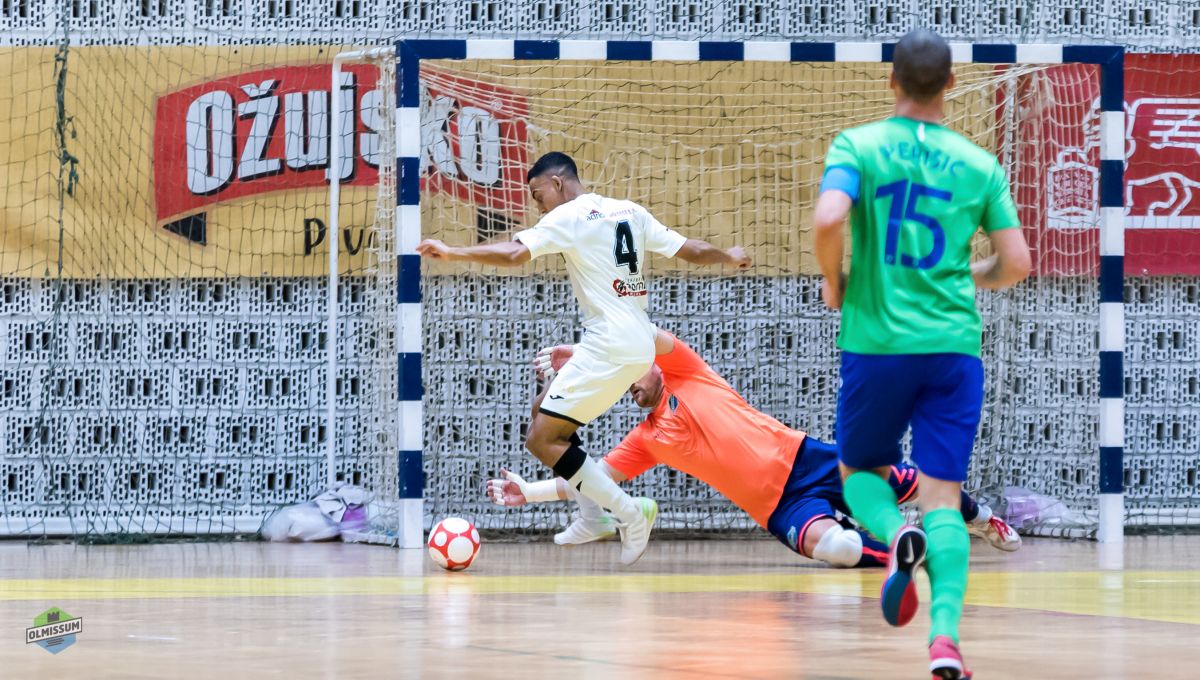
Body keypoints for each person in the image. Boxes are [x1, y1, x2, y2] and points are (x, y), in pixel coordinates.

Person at [811, 29, 1032, 679]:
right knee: (943, 498)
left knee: (860, 474)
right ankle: (945, 641)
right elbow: (1017, 263)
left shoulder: (858, 145)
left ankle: (893, 537)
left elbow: (828, 218)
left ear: (891, 80)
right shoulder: (979, 163)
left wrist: (834, 281)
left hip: (878, 344)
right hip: (953, 349)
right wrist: (973, 276)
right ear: (952, 84)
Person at [416, 152, 751, 565]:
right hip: (633, 339)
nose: (538, 206)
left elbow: (515, 254)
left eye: (538, 195)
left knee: (541, 440)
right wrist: (728, 256)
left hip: (611, 344)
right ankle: (592, 516)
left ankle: (630, 513)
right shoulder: (629, 210)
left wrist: (453, 252)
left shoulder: (568, 215)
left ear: (557, 183)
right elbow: (691, 249)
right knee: (543, 410)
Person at [485, 330, 1020, 570]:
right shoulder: (646, 438)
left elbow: (640, 334)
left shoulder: (686, 369)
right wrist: (529, 493)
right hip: (778, 507)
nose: (630, 388)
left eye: (630, 376)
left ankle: (980, 519)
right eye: (622, 387)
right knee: (839, 550)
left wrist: (583, 354)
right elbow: (590, 478)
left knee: (923, 486)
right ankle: (911, 552)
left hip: (807, 459)